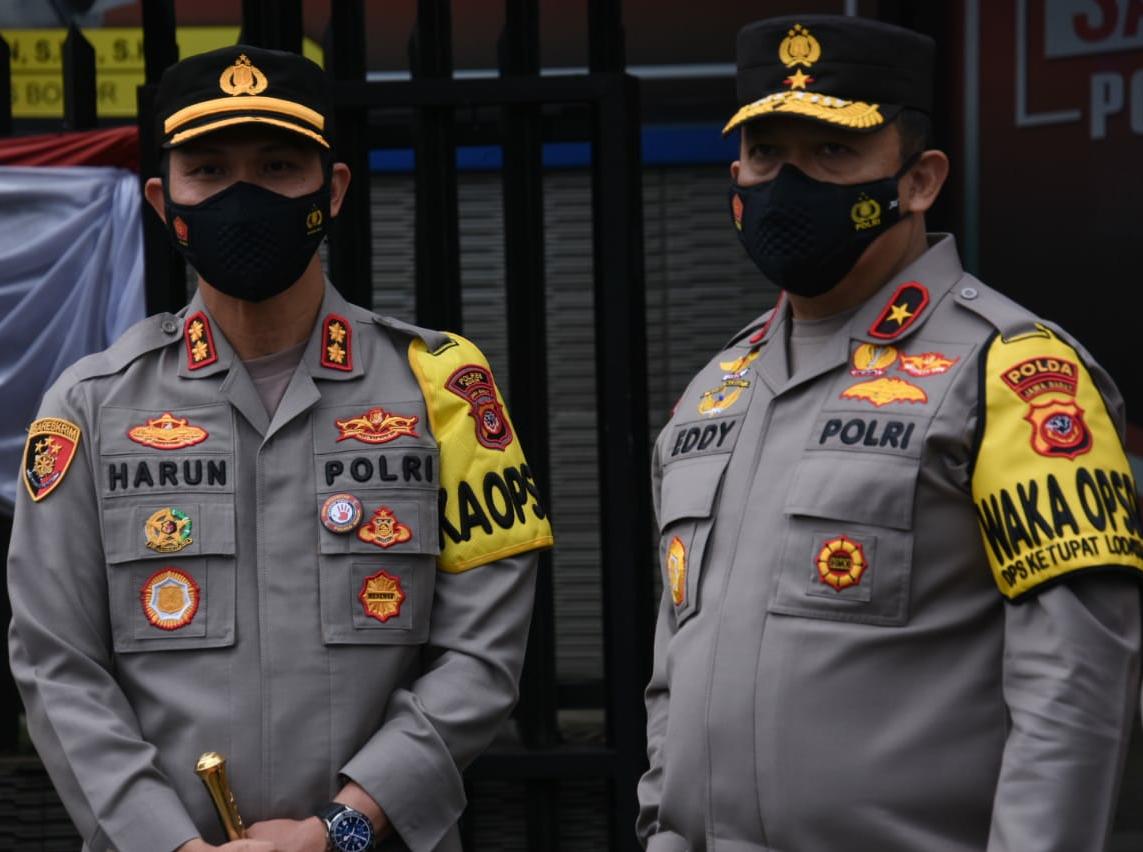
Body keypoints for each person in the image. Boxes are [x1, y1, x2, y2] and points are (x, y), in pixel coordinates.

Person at [8, 45, 553, 852]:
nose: (243, 197)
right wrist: (170, 844)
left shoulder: (442, 388)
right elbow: (56, 663)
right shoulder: (90, 406)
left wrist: (341, 827)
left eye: (276, 166)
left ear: (332, 189)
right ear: (162, 200)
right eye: (208, 170)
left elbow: (482, 657)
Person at [637, 14, 1143, 852]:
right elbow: (675, 663)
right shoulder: (714, 391)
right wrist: (662, 824)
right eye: (765, 155)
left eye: (831, 152)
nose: (786, 184)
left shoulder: (1014, 373)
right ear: (735, 173)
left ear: (919, 180)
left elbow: (1075, 687)